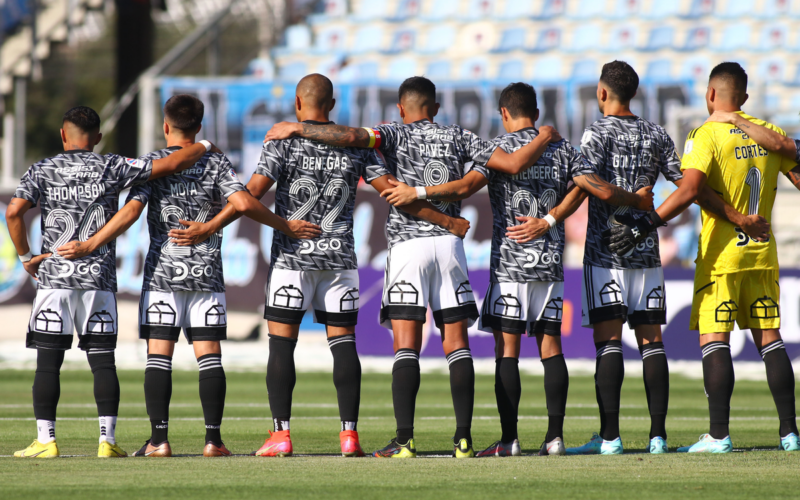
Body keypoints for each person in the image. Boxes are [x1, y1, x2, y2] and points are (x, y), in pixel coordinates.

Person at [170, 74, 468, 458]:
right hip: (339, 259)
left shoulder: (282, 141)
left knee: (282, 345)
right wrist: (445, 221)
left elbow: (251, 194)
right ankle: (349, 436)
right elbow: (395, 193)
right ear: (332, 105)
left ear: (298, 103)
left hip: (291, 259)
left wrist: (210, 226)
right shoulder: (356, 147)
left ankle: (281, 435)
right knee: (343, 345)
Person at [264, 76, 559, 458]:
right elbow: (515, 162)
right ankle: (463, 441)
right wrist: (544, 134)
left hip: (406, 246)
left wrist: (298, 128)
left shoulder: (391, 133)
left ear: (401, 108)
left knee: (407, 345)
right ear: (435, 108)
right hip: (449, 246)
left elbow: (351, 136)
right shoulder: (458, 135)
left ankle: (404, 441)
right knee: (457, 345)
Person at [378, 82, 654, 457]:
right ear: (536, 113)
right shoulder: (562, 148)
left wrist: (420, 192)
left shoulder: (499, 148)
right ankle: (555, 439)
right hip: (549, 262)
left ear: (504, 113)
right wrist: (552, 218)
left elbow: (465, 187)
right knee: (551, 348)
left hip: (509, 264)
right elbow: (588, 187)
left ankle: (509, 440)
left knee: (507, 351)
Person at [55, 95, 318, 457]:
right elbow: (243, 203)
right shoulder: (215, 161)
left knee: (158, 357)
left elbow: (131, 211)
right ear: (199, 126)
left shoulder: (154, 163)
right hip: (206, 276)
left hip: (162, 275)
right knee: (209, 357)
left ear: (166, 126)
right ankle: (213, 441)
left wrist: (91, 243)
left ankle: (159, 440)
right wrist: (284, 225)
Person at [568, 61, 758, 456]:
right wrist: (735, 214)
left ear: (602, 92)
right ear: (634, 93)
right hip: (647, 254)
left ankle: (610, 438)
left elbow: (587, 182)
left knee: (608, 343)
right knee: (652, 343)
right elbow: (690, 186)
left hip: (605, 253)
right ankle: (658, 437)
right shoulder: (656, 133)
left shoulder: (596, 132)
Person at [8, 106, 220, 458]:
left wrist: (26, 257)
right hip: (99, 279)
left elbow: (14, 212)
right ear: (98, 137)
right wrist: (207, 144)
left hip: (55, 278)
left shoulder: (42, 168)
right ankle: (107, 441)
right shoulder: (113, 165)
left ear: (63, 134)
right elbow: (172, 162)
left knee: (48, 363)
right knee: (103, 362)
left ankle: (46, 441)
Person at [609, 62, 800, 453]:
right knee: (770, 340)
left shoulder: (705, 134)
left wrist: (647, 223)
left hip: (721, 256)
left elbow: (690, 189)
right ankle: (789, 433)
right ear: (744, 97)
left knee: (715, 340)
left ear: (711, 94)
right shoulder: (771, 134)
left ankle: (718, 435)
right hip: (762, 253)